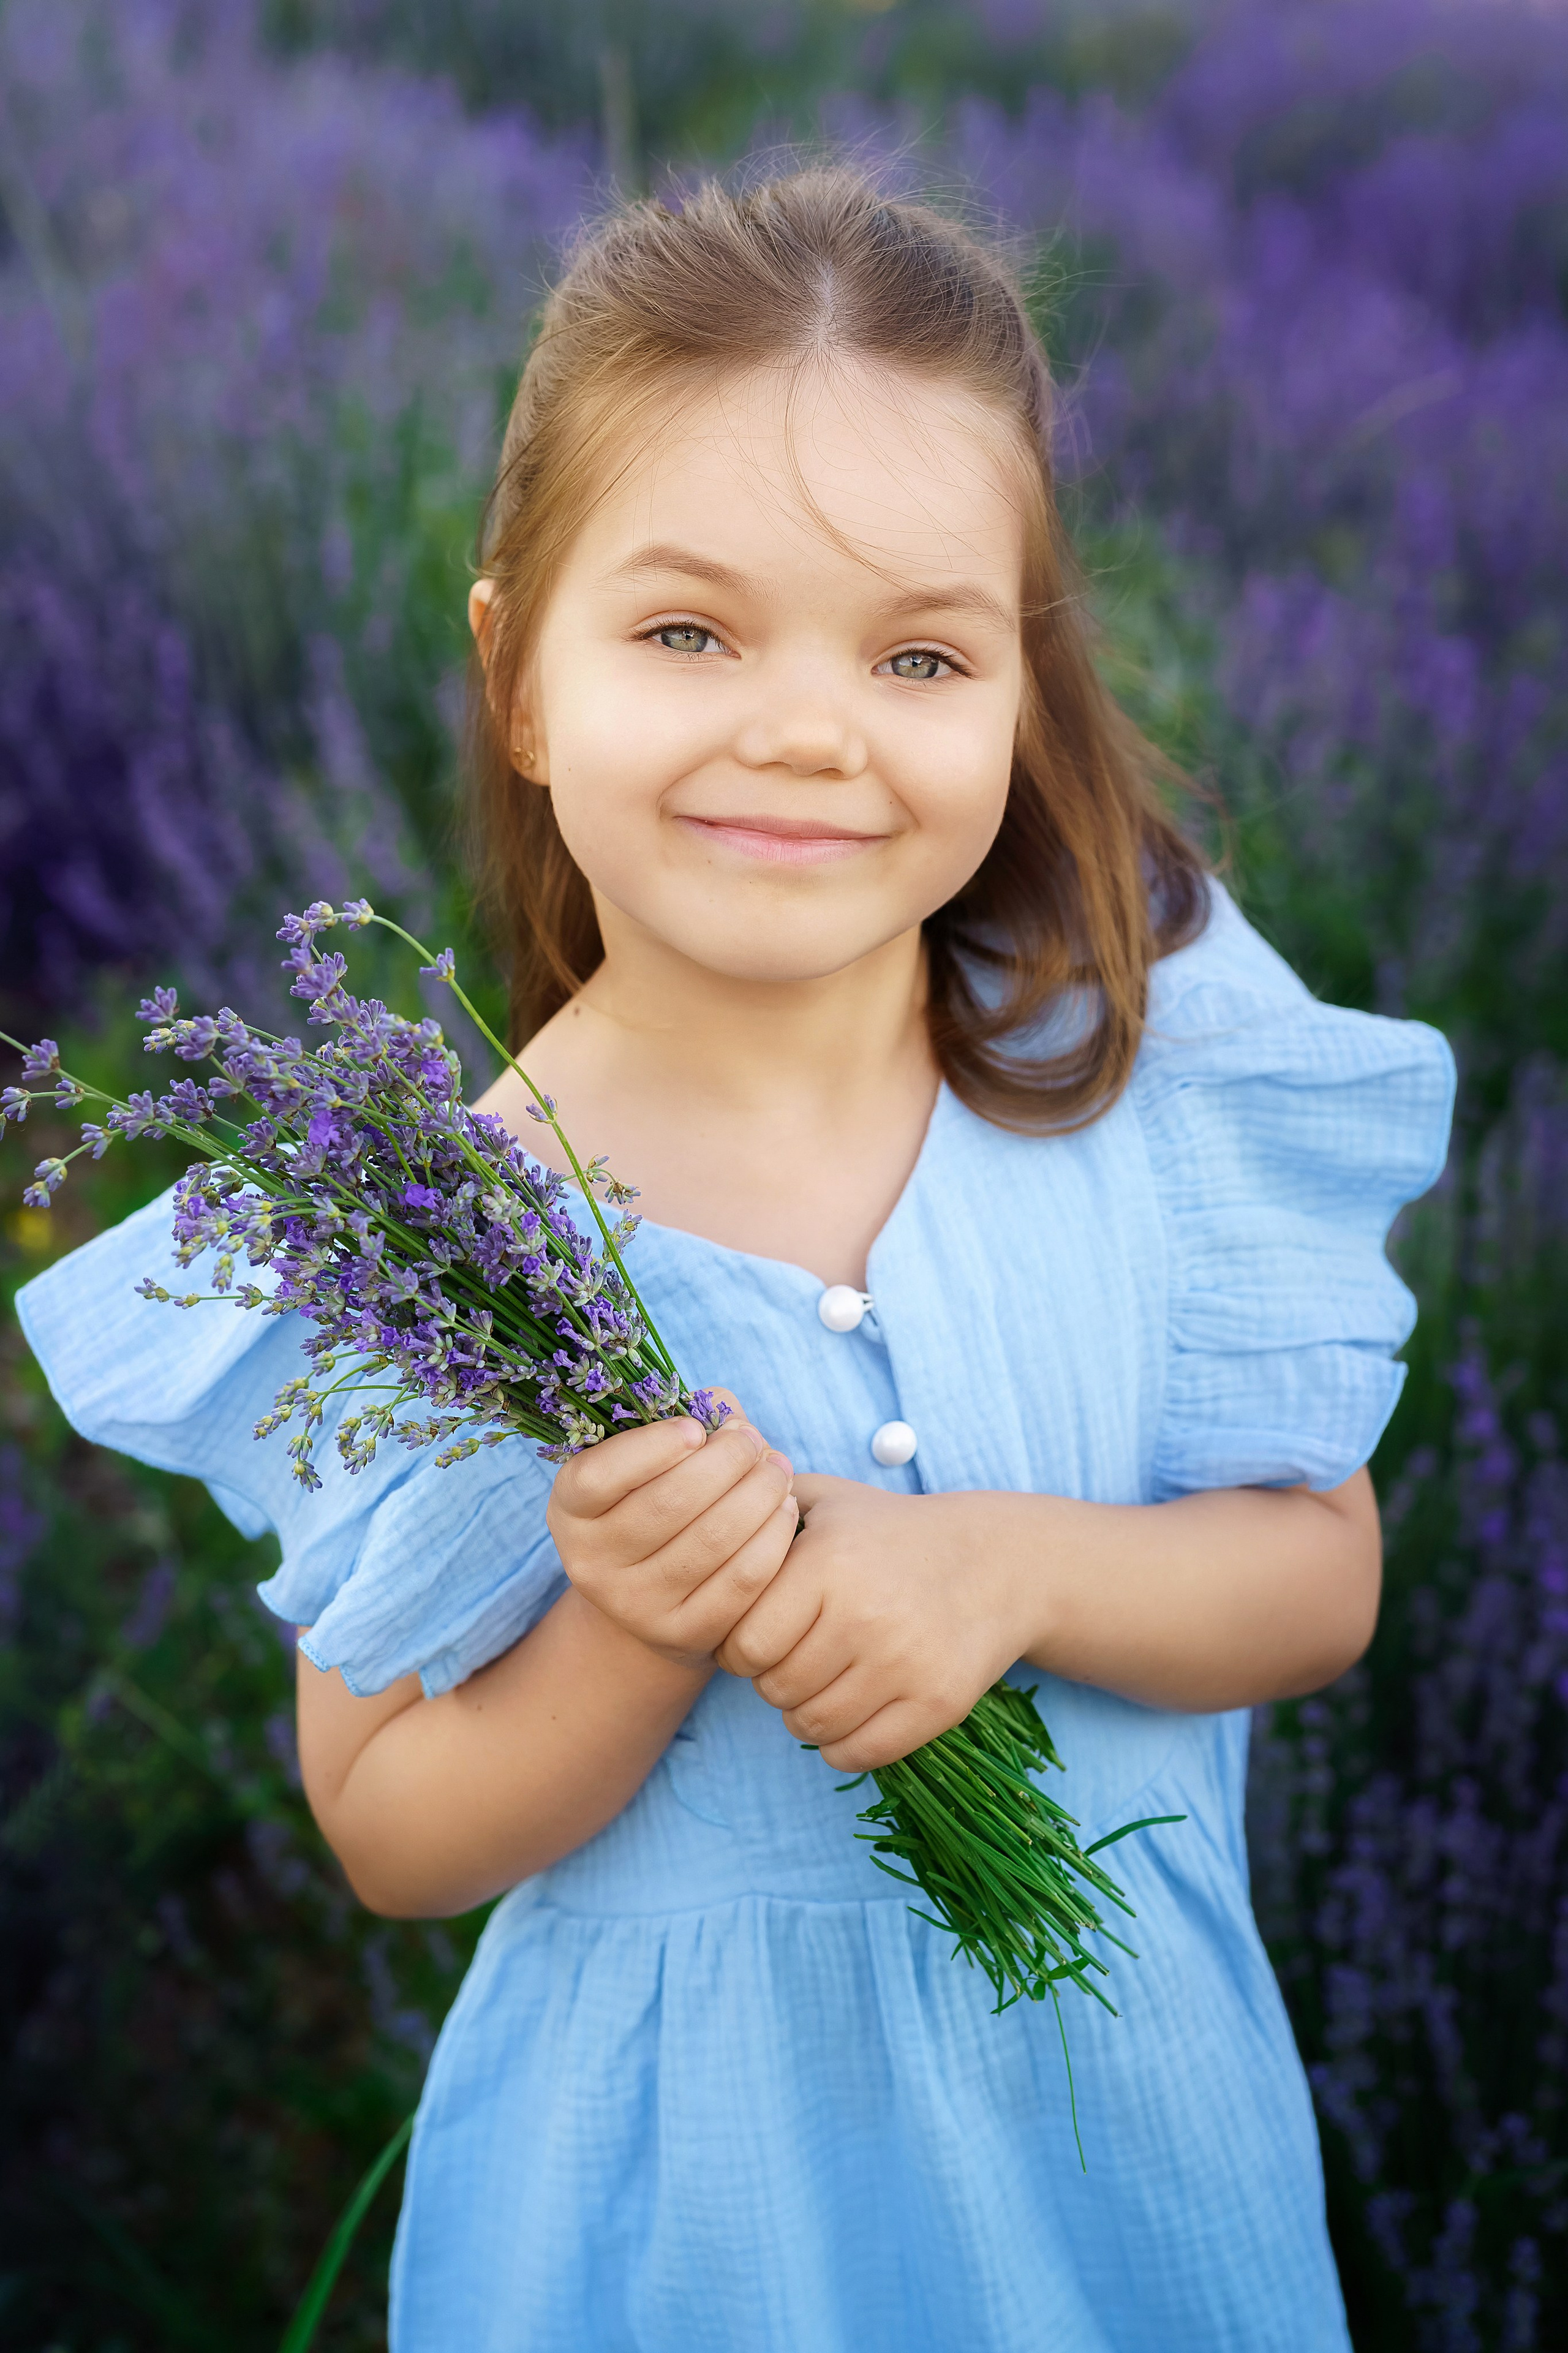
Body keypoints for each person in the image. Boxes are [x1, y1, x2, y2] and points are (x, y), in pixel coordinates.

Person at [18, 168, 1455, 2351]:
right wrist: (626, 1626)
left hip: (1133, 2185)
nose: (808, 725)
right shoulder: (436, 1236)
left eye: (918, 654)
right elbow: (395, 1831)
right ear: (516, 675)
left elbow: (1319, 1572)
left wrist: (1012, 1571)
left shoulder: (1137, 1077)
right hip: (685, 2229)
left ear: (1016, 690)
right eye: (689, 632)